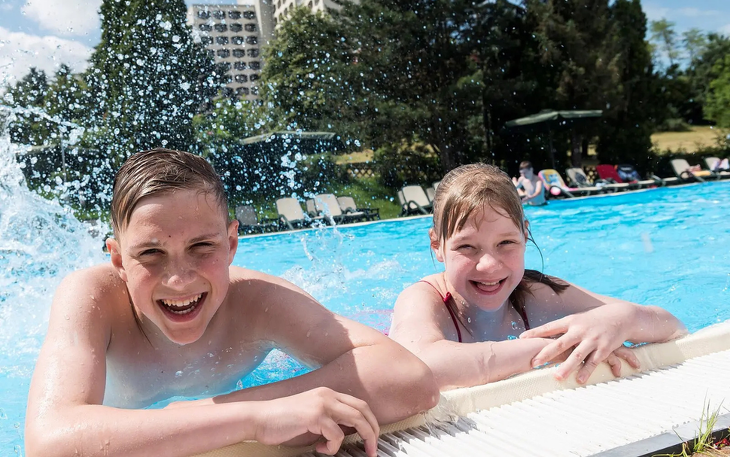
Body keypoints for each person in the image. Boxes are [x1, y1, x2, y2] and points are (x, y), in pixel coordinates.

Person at [25, 149, 438, 457]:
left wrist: (210, 414)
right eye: (150, 253)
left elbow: (408, 377)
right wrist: (256, 417)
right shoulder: (91, 300)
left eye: (201, 247)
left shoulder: (257, 301)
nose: (179, 279)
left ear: (231, 243)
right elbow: (49, 442)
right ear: (118, 260)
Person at [389, 163, 686, 391]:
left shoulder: (536, 294)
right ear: (437, 245)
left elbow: (672, 327)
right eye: (467, 247)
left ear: (525, 235)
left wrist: (622, 320)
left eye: (506, 243)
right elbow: (418, 369)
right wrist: (555, 349)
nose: (489, 265)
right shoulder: (423, 299)